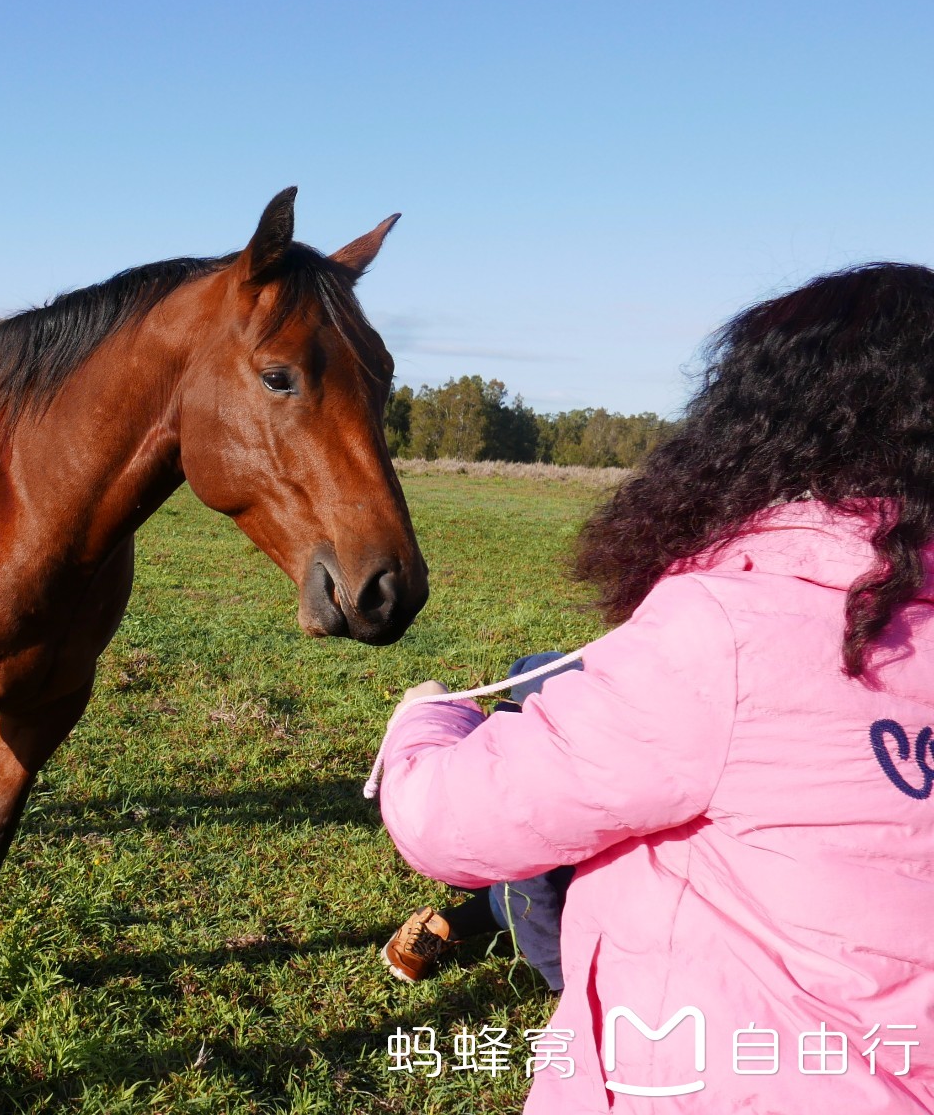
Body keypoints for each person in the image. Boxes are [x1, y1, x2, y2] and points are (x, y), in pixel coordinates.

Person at [373, 263, 934, 1113]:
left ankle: (473, 916)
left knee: (535, 702)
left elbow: (455, 818)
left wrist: (426, 718)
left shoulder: (728, 629)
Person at [381, 652, 580, 991]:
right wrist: (565, 983)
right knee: (532, 886)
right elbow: (529, 898)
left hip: (466, 783)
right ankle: (444, 925)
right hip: (430, 812)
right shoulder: (529, 790)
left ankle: (445, 924)